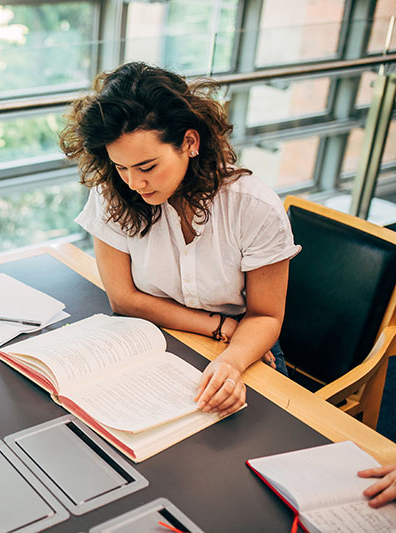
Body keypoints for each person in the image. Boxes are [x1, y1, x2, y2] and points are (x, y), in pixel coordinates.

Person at [60, 62, 300, 418]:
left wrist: (231, 362)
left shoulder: (253, 207)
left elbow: (265, 316)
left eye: (146, 167)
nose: (133, 183)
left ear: (189, 142)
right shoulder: (112, 191)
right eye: (121, 167)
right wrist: (217, 326)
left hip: (243, 347)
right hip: (163, 336)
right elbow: (124, 299)